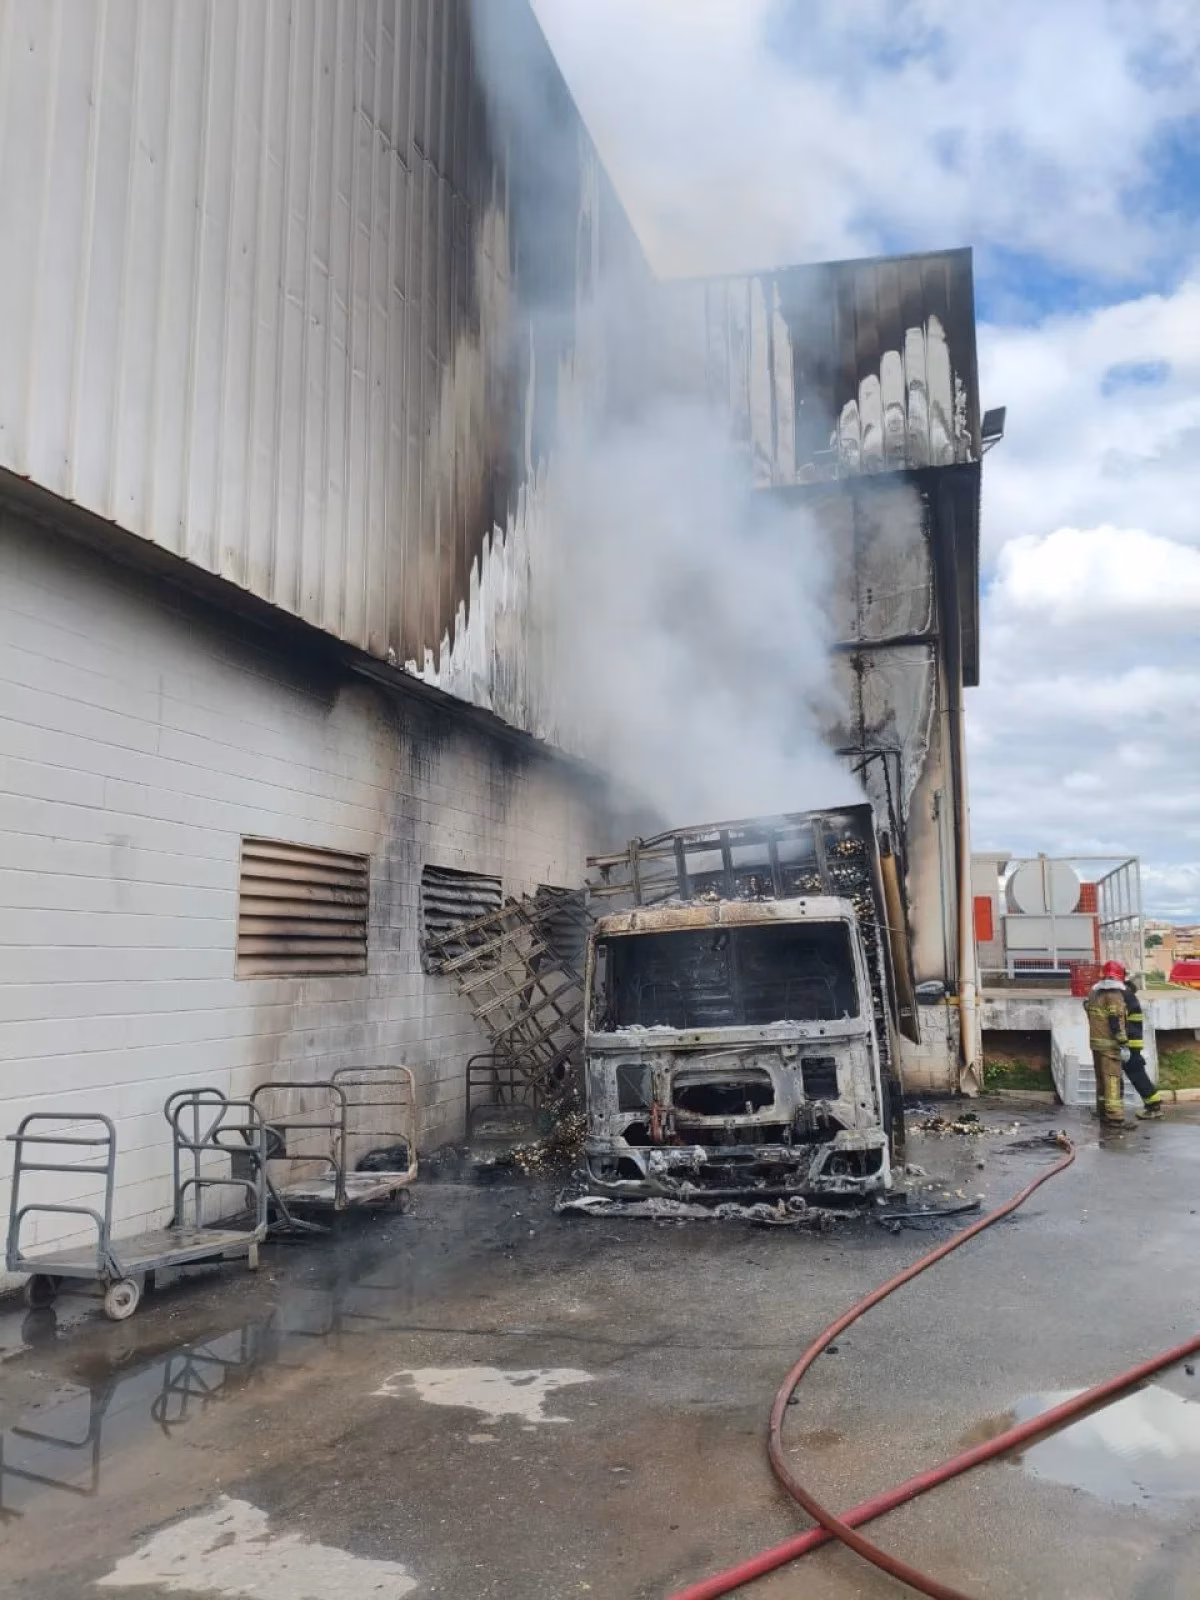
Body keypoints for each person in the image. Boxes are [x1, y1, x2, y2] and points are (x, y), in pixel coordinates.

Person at [1083, 960, 1130, 1127]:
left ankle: (1102, 1112)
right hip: (1110, 1045)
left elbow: (1088, 1010)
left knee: (1101, 1080)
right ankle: (1115, 1116)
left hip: (1095, 1043)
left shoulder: (1093, 994)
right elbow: (1115, 1020)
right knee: (1112, 1079)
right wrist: (1123, 1042)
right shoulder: (1114, 995)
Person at [1122, 975, 1165, 1120]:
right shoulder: (1128, 995)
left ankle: (1154, 1105)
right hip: (1132, 1041)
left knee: (1136, 1073)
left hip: (1129, 1042)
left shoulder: (1125, 997)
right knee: (1136, 1072)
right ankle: (1153, 1104)